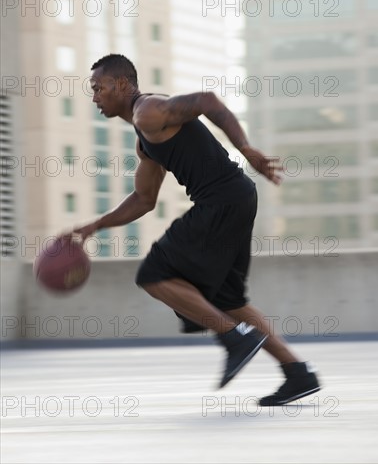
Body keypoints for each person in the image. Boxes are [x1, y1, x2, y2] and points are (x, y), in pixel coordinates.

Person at [68, 53, 320, 405]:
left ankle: (235, 338)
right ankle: (298, 374)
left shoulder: (148, 110)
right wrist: (94, 225)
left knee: (155, 274)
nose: (94, 97)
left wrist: (246, 148)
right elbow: (143, 199)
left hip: (221, 199)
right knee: (226, 300)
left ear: (122, 84)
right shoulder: (145, 139)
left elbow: (207, 101)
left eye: (98, 88)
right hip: (235, 199)